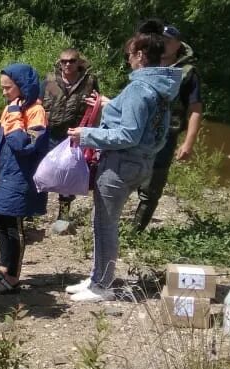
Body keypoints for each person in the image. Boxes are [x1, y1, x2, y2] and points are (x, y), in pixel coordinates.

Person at [66, 32, 182, 302]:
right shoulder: (161, 89)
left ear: (140, 55)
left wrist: (86, 134)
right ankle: (97, 277)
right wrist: (111, 105)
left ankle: (101, 285)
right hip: (141, 164)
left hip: (120, 165)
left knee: (105, 224)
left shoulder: (139, 89)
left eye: (129, 54)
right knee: (103, 221)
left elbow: (128, 134)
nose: (128, 60)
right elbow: (159, 133)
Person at [0, 64, 50, 294]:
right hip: (3, 176)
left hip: (20, 179)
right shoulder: (9, 108)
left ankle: (13, 277)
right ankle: (3, 268)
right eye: (3, 88)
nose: (4, 92)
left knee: (14, 228)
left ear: (22, 87)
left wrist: (17, 117)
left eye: (8, 88)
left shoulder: (36, 112)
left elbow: (24, 145)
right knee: (2, 224)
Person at [132, 21, 204, 231]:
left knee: (152, 185)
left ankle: (135, 231)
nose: (163, 44)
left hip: (165, 136)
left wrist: (188, 143)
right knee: (126, 174)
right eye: (161, 40)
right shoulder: (145, 64)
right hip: (137, 131)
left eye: (168, 41)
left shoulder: (187, 73)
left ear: (178, 45)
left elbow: (195, 110)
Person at [41, 48, 99, 229]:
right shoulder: (50, 80)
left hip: (74, 134)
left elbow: (96, 105)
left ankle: (63, 215)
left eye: (71, 61)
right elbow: (39, 102)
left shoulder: (89, 82)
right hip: (50, 132)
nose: (67, 64)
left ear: (79, 62)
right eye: (63, 61)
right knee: (42, 170)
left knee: (67, 173)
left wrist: (92, 128)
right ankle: (34, 209)